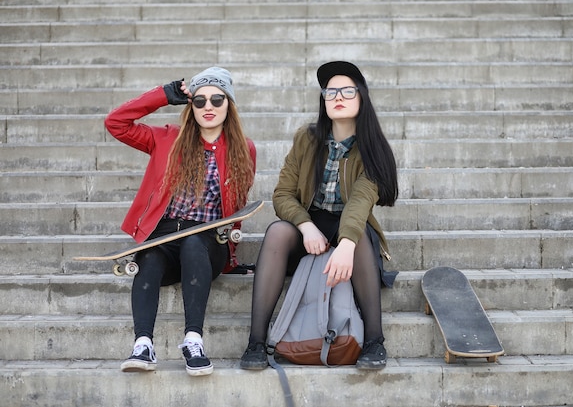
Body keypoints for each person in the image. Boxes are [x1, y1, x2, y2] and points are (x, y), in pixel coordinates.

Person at [240, 61, 398, 371]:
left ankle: (374, 341)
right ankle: (256, 342)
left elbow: (361, 201)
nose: (338, 96)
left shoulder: (372, 148)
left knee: (361, 236)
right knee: (276, 232)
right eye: (331, 91)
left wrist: (345, 244)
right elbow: (282, 194)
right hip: (309, 226)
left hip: (351, 229)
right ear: (323, 99)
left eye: (347, 90)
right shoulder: (307, 138)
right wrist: (306, 226)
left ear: (362, 97)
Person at [104, 67, 256, 376]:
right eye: (199, 101)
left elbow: (237, 208)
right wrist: (162, 95)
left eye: (217, 99)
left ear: (229, 104)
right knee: (150, 255)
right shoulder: (165, 139)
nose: (208, 107)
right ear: (190, 107)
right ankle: (143, 345)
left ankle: (193, 340)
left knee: (193, 241)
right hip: (164, 238)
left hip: (206, 244)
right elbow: (116, 123)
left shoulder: (244, 149)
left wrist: (232, 256)